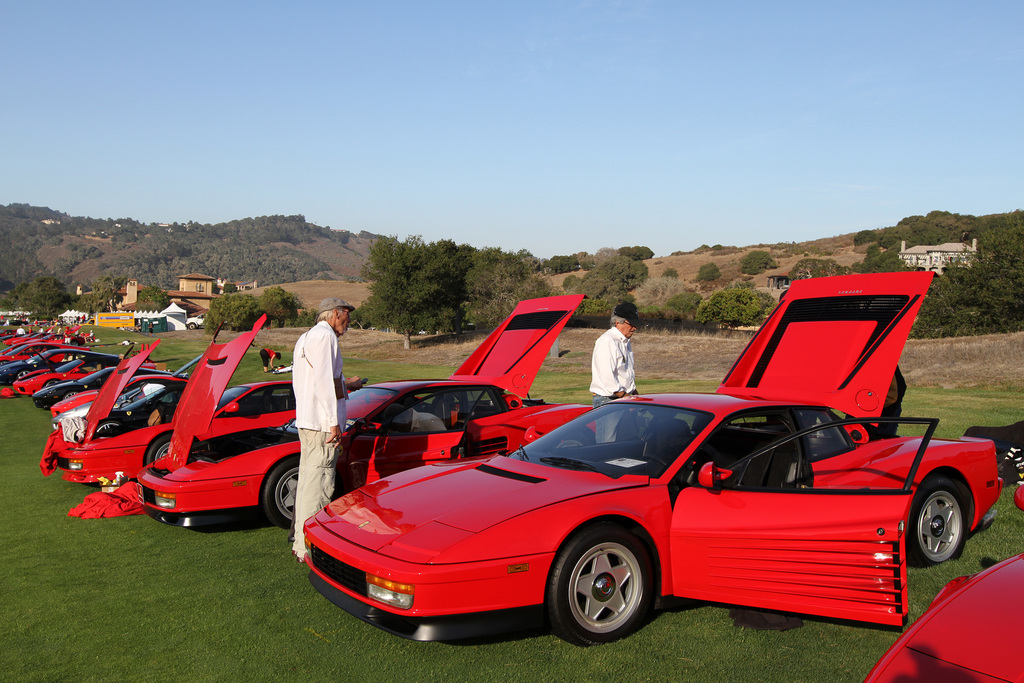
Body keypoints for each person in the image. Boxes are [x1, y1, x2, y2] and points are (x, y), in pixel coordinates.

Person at [291, 297, 365, 563]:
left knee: (309, 481)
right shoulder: (325, 337)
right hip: (322, 425)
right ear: (335, 313)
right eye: (346, 315)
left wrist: (348, 386)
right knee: (320, 484)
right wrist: (333, 421)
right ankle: (309, 546)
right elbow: (323, 382)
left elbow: (319, 381)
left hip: (310, 421)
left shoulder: (306, 337)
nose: (348, 321)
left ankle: (301, 540)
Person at [590, 302, 640, 408]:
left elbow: (625, 372)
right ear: (618, 322)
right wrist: (625, 396)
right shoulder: (607, 341)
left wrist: (634, 392)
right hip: (608, 400)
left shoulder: (625, 341)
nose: (634, 328)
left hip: (622, 398)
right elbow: (607, 377)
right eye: (631, 324)